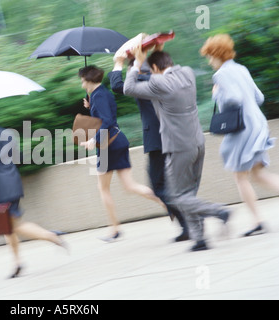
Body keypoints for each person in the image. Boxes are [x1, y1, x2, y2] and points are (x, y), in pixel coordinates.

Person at [123, 48, 230, 251]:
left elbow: (129, 88)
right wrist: (156, 51)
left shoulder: (157, 83)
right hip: (198, 142)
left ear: (154, 68)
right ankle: (200, 240)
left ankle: (219, 211)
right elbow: (163, 69)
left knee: (177, 197)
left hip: (178, 147)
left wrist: (137, 63)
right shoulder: (187, 73)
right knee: (189, 194)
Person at [0, 105, 67, 278]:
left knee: (16, 225)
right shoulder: (6, 133)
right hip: (13, 181)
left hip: (1, 187)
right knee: (7, 227)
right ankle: (17, 263)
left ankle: (51, 236)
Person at [200, 34, 279, 237]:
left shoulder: (221, 75)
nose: (210, 61)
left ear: (217, 54)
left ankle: (259, 222)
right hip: (258, 124)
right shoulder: (241, 69)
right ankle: (258, 221)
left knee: (240, 177)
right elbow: (259, 97)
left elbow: (233, 99)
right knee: (259, 174)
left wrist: (216, 93)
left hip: (243, 129)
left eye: (210, 56)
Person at [108, 51, 189, 242]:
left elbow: (117, 86)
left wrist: (118, 63)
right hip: (170, 135)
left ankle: (189, 221)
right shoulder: (159, 79)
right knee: (167, 184)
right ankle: (187, 223)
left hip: (157, 138)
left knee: (158, 185)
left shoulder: (145, 81)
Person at [78, 66, 165, 242]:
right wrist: (90, 106)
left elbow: (107, 121)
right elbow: (104, 116)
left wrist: (92, 140)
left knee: (103, 188)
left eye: (82, 79)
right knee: (130, 186)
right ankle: (167, 203)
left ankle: (115, 229)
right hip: (118, 141)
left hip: (106, 146)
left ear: (88, 80)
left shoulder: (99, 96)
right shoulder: (101, 93)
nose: (81, 82)